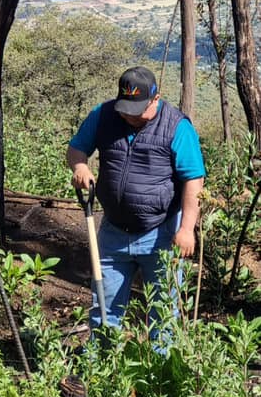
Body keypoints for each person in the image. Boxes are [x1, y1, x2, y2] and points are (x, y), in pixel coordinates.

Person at [67, 66, 205, 335]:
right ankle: (103, 368)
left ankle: (163, 373)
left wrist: (187, 229)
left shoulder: (177, 127)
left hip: (161, 232)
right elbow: (76, 148)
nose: (130, 116)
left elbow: (193, 180)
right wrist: (80, 167)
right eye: (126, 108)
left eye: (139, 109)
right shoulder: (103, 115)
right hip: (113, 232)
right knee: (104, 310)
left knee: (163, 313)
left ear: (156, 98)